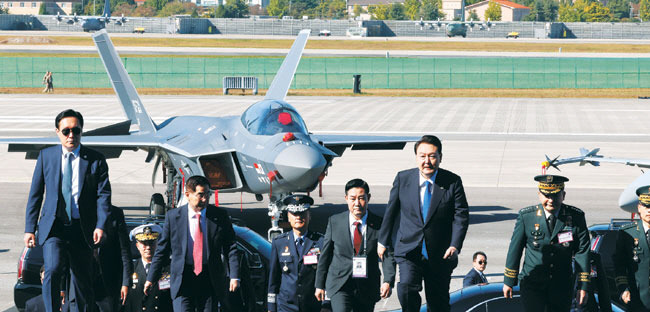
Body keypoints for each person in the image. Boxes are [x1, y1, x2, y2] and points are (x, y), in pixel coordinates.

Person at [24, 109, 111, 312]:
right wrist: (29, 228)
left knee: (82, 282)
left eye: (76, 130)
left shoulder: (95, 160)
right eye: (66, 131)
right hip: (55, 227)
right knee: (53, 270)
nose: (71, 135)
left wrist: (100, 225)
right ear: (57, 132)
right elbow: (35, 194)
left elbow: (103, 196)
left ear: (81, 131)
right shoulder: (46, 157)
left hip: (82, 229)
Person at [378, 135, 469, 312]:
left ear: (440, 158)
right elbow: (391, 212)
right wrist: (383, 241)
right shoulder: (403, 179)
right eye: (422, 156)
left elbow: (461, 216)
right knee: (405, 288)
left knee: (438, 303)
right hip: (408, 249)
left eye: (432, 156)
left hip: (440, 253)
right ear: (416, 157)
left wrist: (455, 245)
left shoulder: (452, 182)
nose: (427, 161)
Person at [145, 175, 241, 312]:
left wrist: (234, 275)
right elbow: (162, 250)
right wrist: (151, 278)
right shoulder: (173, 217)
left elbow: (230, 247)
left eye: (208, 194)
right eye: (200, 195)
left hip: (209, 278)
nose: (205, 199)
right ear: (188, 195)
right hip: (183, 278)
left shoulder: (219, 216)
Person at [503, 175, 590, 312]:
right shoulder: (527, 217)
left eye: (556, 195)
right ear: (539, 195)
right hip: (532, 285)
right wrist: (509, 280)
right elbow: (515, 249)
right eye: (546, 196)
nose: (551, 200)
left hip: (561, 286)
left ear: (563, 195)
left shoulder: (576, 217)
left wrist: (583, 285)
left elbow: (582, 252)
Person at [315, 178, 395, 312]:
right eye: (352, 199)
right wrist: (319, 285)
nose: (357, 203)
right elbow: (325, 255)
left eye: (361, 198)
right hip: (339, 284)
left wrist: (388, 281)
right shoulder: (335, 222)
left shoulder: (379, 224)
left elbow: (387, 255)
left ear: (368, 198)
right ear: (346, 198)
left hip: (367, 285)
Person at [268, 195, 327, 312]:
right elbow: (274, 278)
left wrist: (327, 304)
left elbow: (327, 275)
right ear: (288, 217)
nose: (298, 217)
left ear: (309, 216)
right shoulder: (279, 242)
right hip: (286, 306)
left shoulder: (321, 242)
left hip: (312, 305)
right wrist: (271, 306)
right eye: (294, 214)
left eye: (302, 213)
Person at [614, 185, 650, 312]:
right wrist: (623, 288)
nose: (649, 210)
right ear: (639, 208)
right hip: (638, 298)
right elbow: (619, 264)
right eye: (646, 206)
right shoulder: (628, 233)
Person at [124, 223, 172, 312]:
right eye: (144, 243)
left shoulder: (169, 267)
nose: (148, 247)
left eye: (151, 243)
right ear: (137, 246)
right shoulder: (130, 269)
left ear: (158, 244)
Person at [94, 205, 132, 312]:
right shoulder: (80, 210)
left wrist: (125, 282)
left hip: (109, 281)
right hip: (84, 280)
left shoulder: (115, 214)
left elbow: (124, 251)